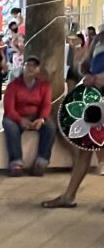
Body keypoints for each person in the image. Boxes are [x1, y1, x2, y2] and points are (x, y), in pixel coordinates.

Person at [44, 44, 104, 209]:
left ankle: (69, 195)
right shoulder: (100, 39)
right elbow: (86, 64)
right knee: (85, 147)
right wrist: (89, 76)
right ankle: (68, 195)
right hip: (95, 98)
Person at [2, 55, 54, 177]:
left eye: (34, 66)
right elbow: (9, 108)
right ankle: (16, 163)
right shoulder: (13, 85)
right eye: (28, 65)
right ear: (23, 67)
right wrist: (20, 120)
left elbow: (46, 105)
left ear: (38, 70)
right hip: (17, 116)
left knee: (50, 127)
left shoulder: (44, 86)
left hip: (35, 115)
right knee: (9, 125)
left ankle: (42, 162)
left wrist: (41, 119)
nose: (31, 68)